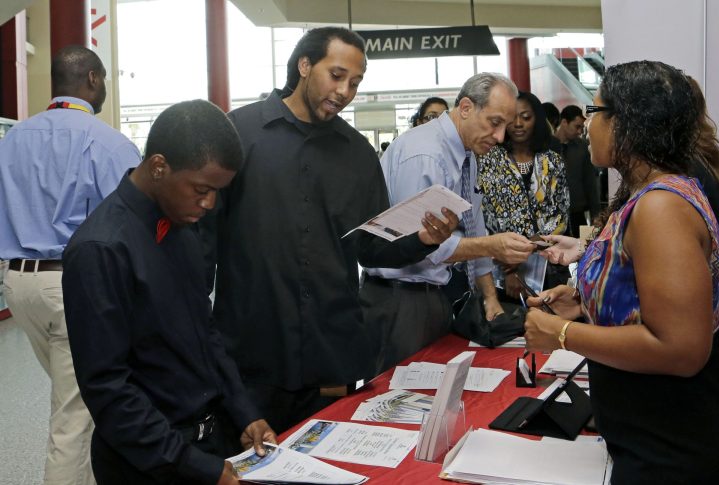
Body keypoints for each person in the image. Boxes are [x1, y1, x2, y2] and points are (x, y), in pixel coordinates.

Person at [200, 27, 457, 435]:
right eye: (336, 75)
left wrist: (423, 239)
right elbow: (204, 236)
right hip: (251, 352)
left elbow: (370, 248)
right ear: (304, 65)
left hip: (329, 354)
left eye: (355, 82)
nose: (344, 91)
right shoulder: (240, 133)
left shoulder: (357, 153)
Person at [524, 61, 719, 484]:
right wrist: (584, 304)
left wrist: (560, 335)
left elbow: (681, 349)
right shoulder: (649, 192)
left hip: (684, 449)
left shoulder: (660, 206)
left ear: (625, 123)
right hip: (661, 438)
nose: (587, 126)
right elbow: (639, 291)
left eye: (595, 113)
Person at [62, 100, 277, 485]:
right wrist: (194, 466)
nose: (209, 204)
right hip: (149, 461)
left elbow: (206, 331)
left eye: (217, 192)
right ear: (159, 166)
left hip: (207, 441)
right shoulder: (101, 249)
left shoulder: (180, 224)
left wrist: (245, 411)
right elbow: (109, 390)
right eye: (201, 189)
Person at [0, 45, 141, 485]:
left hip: (18, 285)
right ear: (93, 80)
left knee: (76, 397)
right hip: (73, 287)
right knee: (74, 417)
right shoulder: (106, 142)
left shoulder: (11, 140)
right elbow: (135, 220)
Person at [361, 73, 537, 374]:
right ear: (466, 107)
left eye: (505, 127)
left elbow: (474, 222)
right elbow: (421, 245)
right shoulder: (426, 154)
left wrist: (490, 298)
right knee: (402, 398)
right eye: (494, 123)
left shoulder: (465, 153)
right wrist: (492, 246)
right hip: (401, 298)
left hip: (434, 296)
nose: (499, 137)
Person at [477, 91, 569, 295]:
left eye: (526, 117)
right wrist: (508, 263)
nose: (518, 123)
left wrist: (524, 252)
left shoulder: (552, 161)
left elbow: (560, 216)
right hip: (499, 268)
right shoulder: (488, 160)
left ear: (536, 119)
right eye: (512, 117)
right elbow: (485, 216)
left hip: (547, 264)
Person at [551, 105, 600, 236]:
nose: (579, 131)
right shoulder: (548, 146)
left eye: (581, 128)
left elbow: (590, 181)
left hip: (579, 213)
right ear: (564, 122)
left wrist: (596, 213)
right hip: (554, 216)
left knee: (584, 250)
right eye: (577, 126)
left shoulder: (583, 147)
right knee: (556, 254)